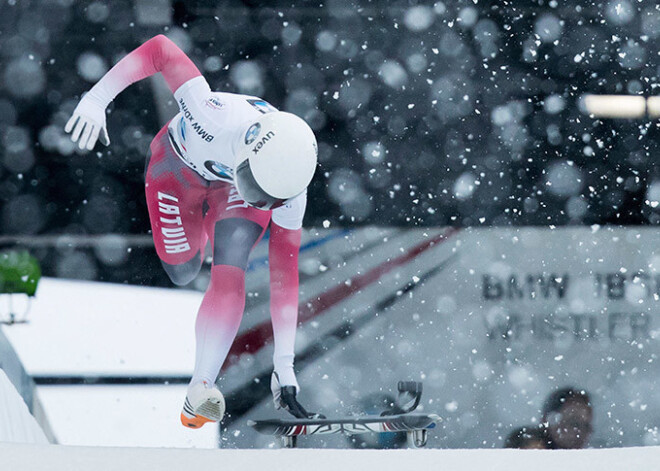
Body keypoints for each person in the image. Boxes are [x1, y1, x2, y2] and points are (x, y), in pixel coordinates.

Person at [64, 35, 318, 429]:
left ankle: (199, 387)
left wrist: (284, 366)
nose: (262, 200)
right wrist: (98, 99)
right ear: (249, 148)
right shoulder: (212, 115)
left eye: (268, 199)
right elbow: (161, 49)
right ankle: (201, 233)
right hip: (176, 169)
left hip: (226, 189)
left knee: (231, 268)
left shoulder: (287, 192)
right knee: (183, 270)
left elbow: (284, 272)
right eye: (257, 188)